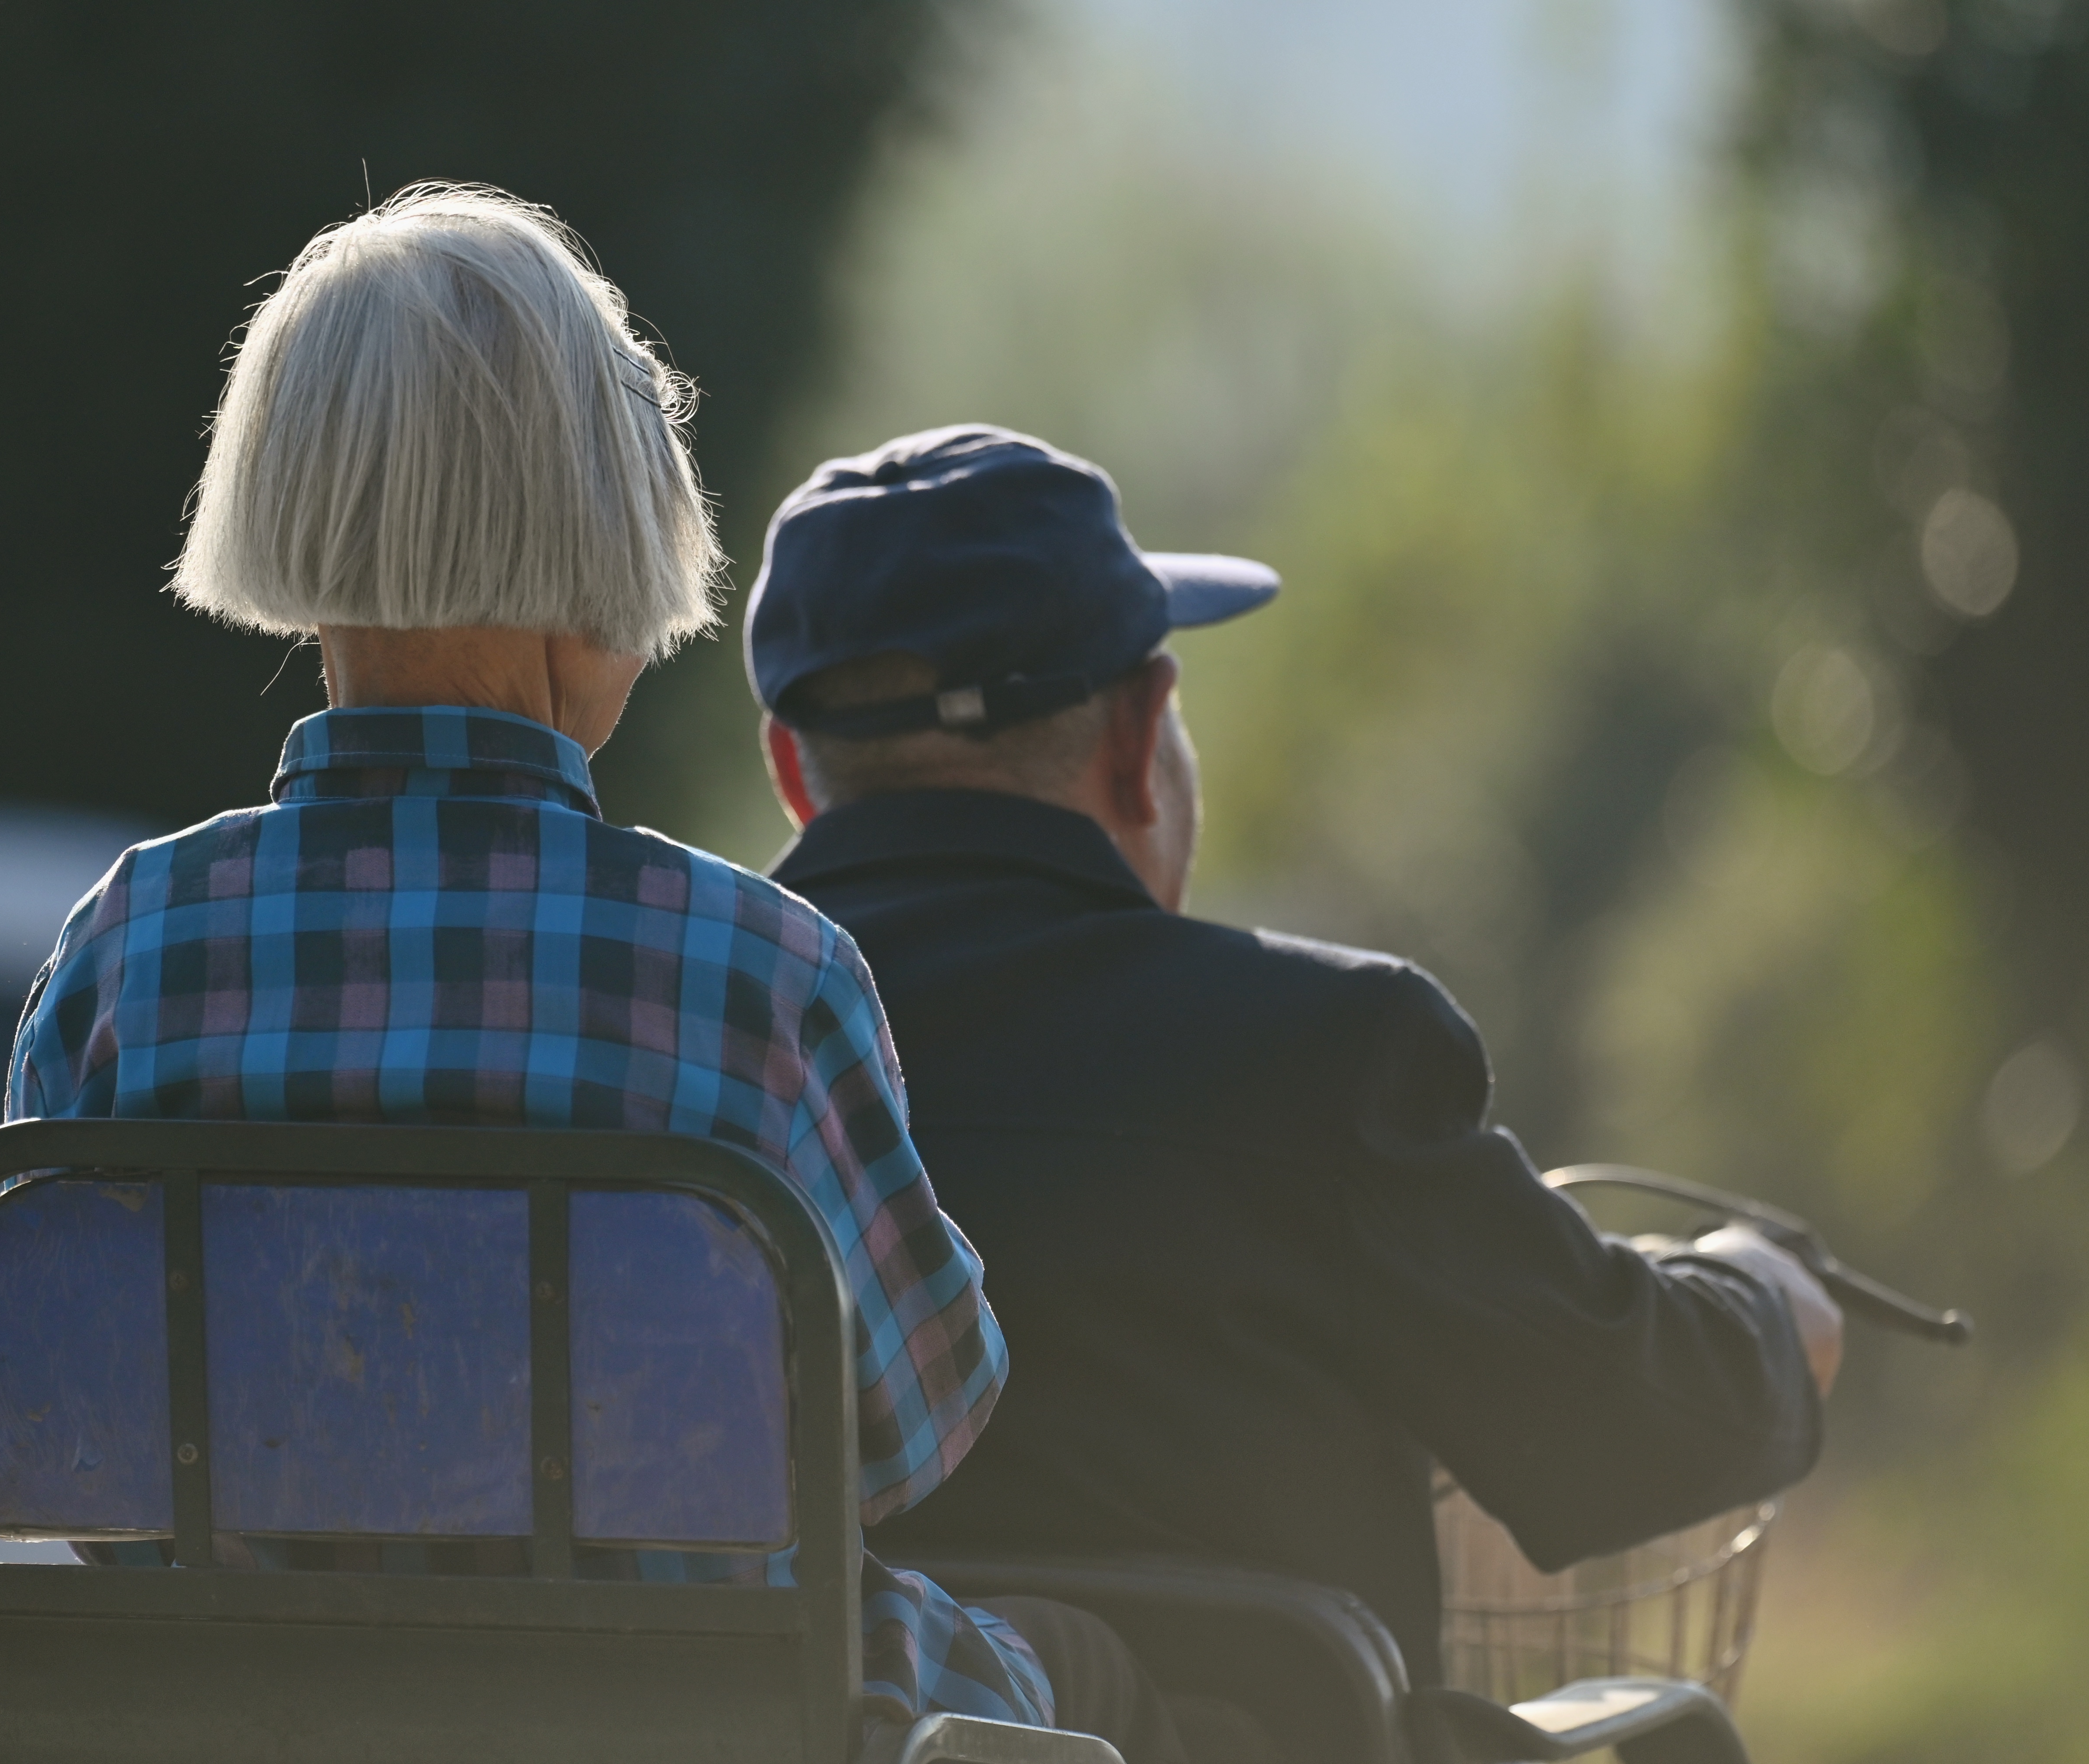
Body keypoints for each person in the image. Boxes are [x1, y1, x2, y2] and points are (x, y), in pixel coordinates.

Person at [3, 194, 1183, 1757]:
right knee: (1075, 1679)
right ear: (601, 561)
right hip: (703, 1726)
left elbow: (60, 1443)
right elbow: (908, 1429)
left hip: (236, 1722)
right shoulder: (755, 974)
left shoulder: (129, 949)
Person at [745, 423, 1845, 1690]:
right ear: (1139, 737)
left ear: (793, 774)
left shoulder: (710, 1049)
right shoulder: (1328, 1049)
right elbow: (1614, 1428)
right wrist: (1768, 1307)